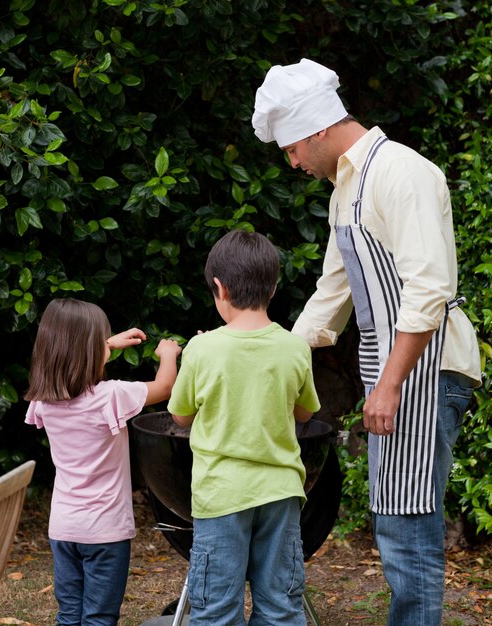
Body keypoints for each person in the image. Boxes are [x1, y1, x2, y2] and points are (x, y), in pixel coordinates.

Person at [252, 58, 481, 626]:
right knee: (395, 520)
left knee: (408, 528)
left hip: (424, 370)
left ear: (318, 129)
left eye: (292, 149)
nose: (293, 162)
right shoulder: (345, 190)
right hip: (398, 373)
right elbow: (332, 296)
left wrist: (389, 383)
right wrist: (262, 356)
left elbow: (428, 289)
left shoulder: (402, 172)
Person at [167, 229, 321, 625]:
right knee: (280, 608)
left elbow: (181, 417)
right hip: (281, 494)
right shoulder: (295, 347)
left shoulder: (202, 349)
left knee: (216, 608)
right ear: (273, 287)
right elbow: (305, 414)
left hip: (220, 495)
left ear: (219, 288)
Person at [24, 298, 182, 626]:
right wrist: (168, 354)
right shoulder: (111, 396)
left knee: (69, 616)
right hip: (105, 533)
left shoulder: (43, 399)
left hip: (64, 529)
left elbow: (68, 352)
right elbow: (165, 387)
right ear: (88, 352)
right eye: (99, 342)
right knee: (99, 618)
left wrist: (108, 343)